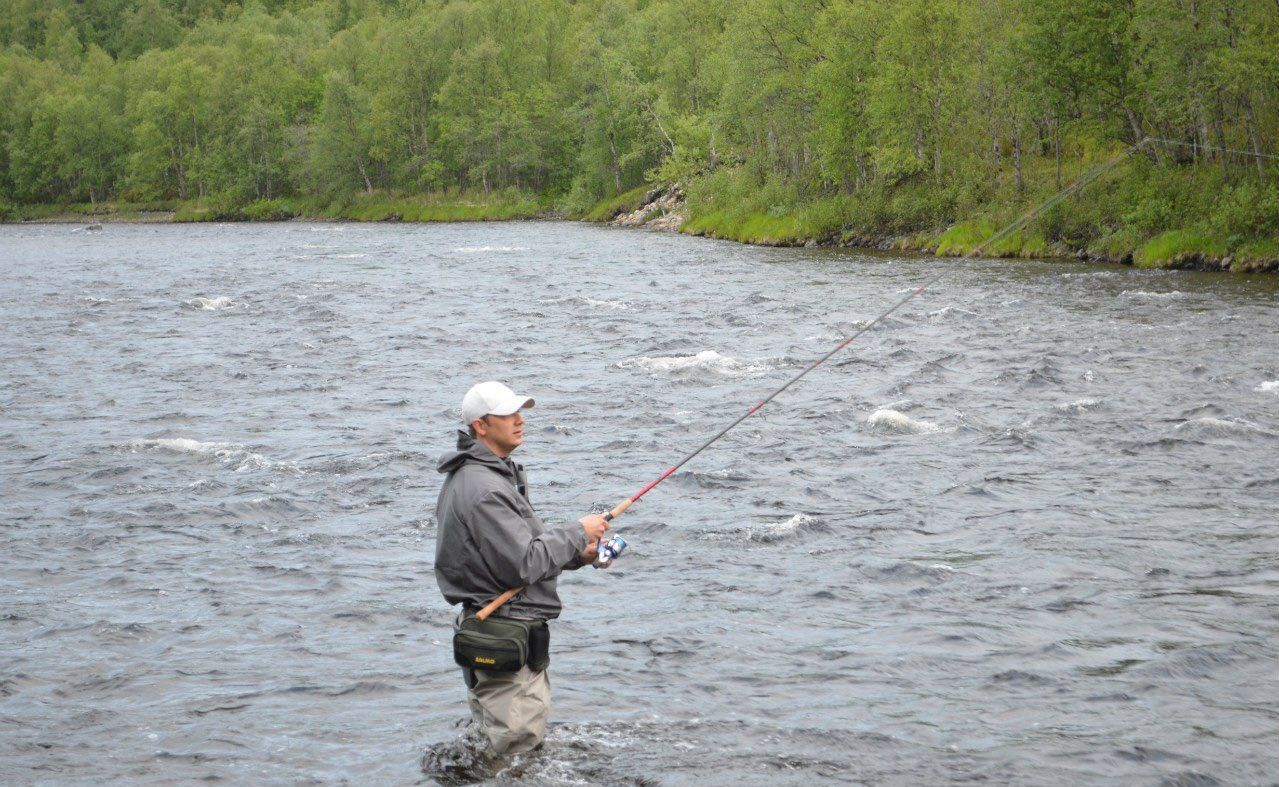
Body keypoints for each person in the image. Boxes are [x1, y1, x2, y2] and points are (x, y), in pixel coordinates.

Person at [434, 380, 610, 756]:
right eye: (508, 414)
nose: (519, 420)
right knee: (515, 757)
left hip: (498, 631)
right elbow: (523, 564)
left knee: (495, 750)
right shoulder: (485, 489)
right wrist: (578, 531)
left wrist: (579, 554)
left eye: (520, 413)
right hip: (507, 634)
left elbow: (514, 554)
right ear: (481, 426)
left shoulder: (485, 477)